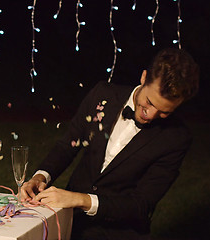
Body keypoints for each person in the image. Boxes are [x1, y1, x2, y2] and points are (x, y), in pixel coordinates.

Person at [21, 48, 200, 239]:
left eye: (165, 112)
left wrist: (81, 200)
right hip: (70, 222)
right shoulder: (102, 94)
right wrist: (40, 177)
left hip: (119, 232)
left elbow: (141, 205)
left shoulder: (176, 138)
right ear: (143, 77)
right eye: (149, 102)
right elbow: (68, 144)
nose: (151, 115)